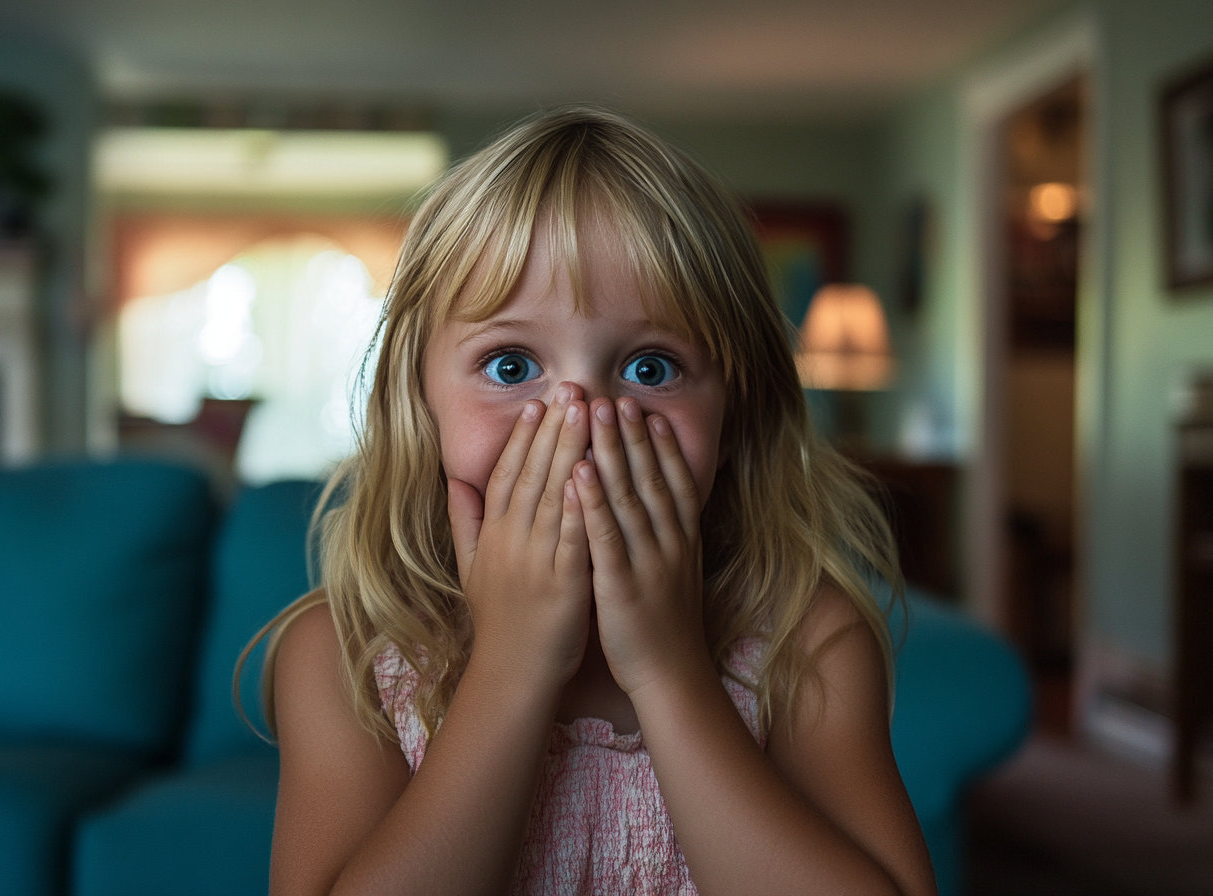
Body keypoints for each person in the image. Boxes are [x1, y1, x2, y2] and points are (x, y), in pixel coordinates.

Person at [247, 107, 938, 896]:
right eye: (511, 366)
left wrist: (669, 669)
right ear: (418, 398)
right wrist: (512, 668)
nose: (580, 421)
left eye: (650, 368)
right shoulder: (348, 656)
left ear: (735, 410)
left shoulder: (805, 639)